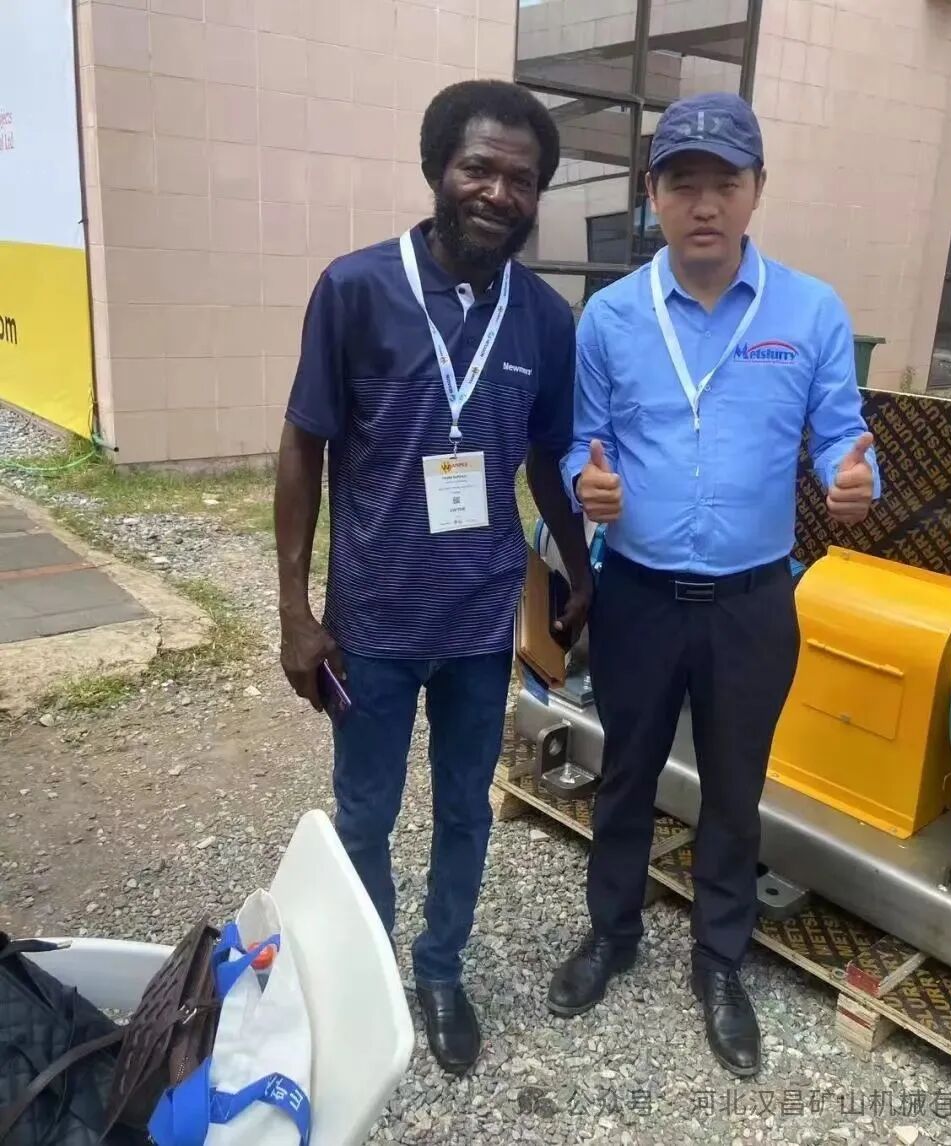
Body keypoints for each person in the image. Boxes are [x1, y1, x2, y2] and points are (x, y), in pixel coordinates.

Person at [547, 92, 881, 1077]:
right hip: (637, 597)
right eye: (682, 182)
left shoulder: (810, 312)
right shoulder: (611, 317)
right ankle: (612, 933)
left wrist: (854, 481)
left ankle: (721, 960)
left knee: (736, 787)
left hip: (751, 602)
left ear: (756, 190)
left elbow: (842, 436)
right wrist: (587, 484)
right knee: (625, 772)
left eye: (724, 182)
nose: (704, 204)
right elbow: (581, 441)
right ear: (652, 194)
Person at [274, 80, 591, 1076]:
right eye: (478, 168)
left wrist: (580, 565)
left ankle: (441, 971)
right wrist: (294, 609)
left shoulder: (544, 320)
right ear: (436, 170)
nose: (499, 192)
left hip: (478, 626)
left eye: (521, 179)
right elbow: (304, 446)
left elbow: (546, 457)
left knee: (465, 811)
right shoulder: (356, 290)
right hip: (370, 623)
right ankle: (369, 976)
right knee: (365, 814)